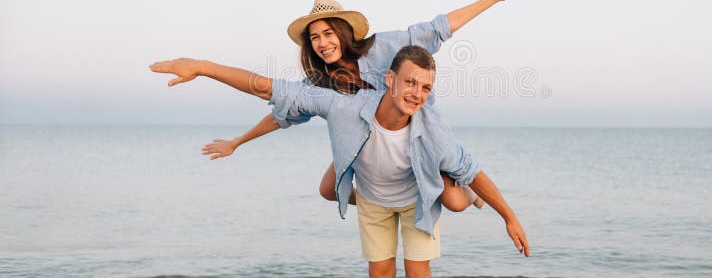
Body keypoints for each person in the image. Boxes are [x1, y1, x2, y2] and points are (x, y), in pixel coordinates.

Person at [151, 46, 530, 278]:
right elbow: (271, 88)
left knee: (429, 250)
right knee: (379, 271)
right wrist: (203, 67)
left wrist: (509, 217)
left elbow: (474, 170)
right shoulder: (343, 106)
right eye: (411, 83)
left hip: (419, 199)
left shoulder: (434, 130)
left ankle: (449, 185)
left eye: (426, 87)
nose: (417, 94)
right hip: (375, 201)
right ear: (391, 80)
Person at [197, 0, 529, 209]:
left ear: (343, 32)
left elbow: (438, 28)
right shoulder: (320, 83)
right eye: (315, 38)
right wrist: (237, 142)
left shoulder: (383, 46)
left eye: (328, 34)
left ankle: (472, 192)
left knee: (456, 201)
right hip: (366, 145)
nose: (323, 43)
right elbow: (281, 115)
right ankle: (380, 202)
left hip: (415, 135)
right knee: (329, 190)